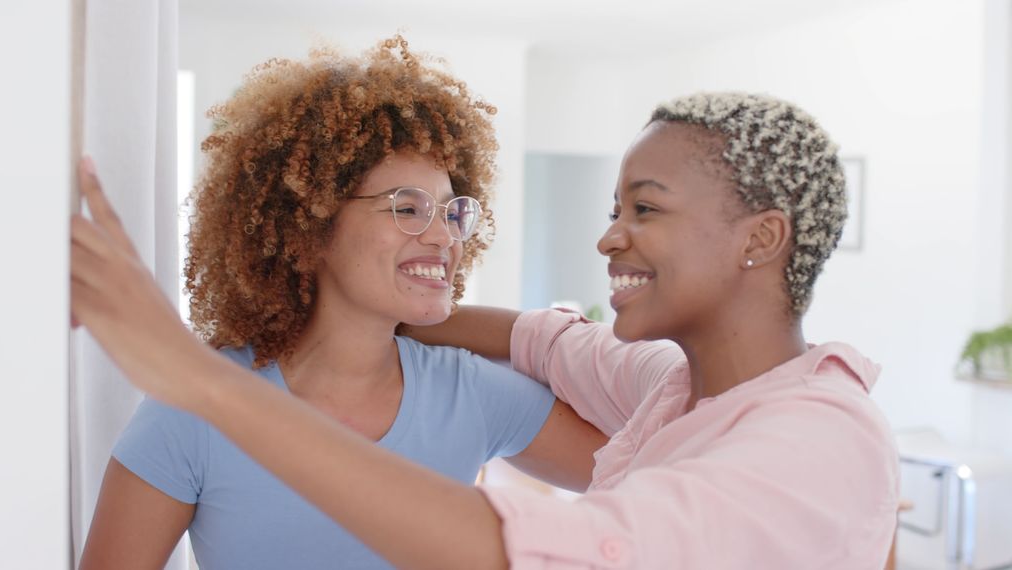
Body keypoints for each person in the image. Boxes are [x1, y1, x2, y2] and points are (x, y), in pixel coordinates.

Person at [72, 90, 899, 569]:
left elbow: (558, 548)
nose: (609, 237)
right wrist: (384, 306)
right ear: (308, 226)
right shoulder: (669, 388)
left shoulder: (813, 440)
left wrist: (202, 377)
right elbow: (547, 340)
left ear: (762, 238)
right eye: (406, 211)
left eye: (645, 209)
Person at [76, 36, 607, 570]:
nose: (445, 238)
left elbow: (657, 471)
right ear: (313, 225)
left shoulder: (469, 392)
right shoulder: (191, 411)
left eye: (451, 213)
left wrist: (515, 332)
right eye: (406, 208)